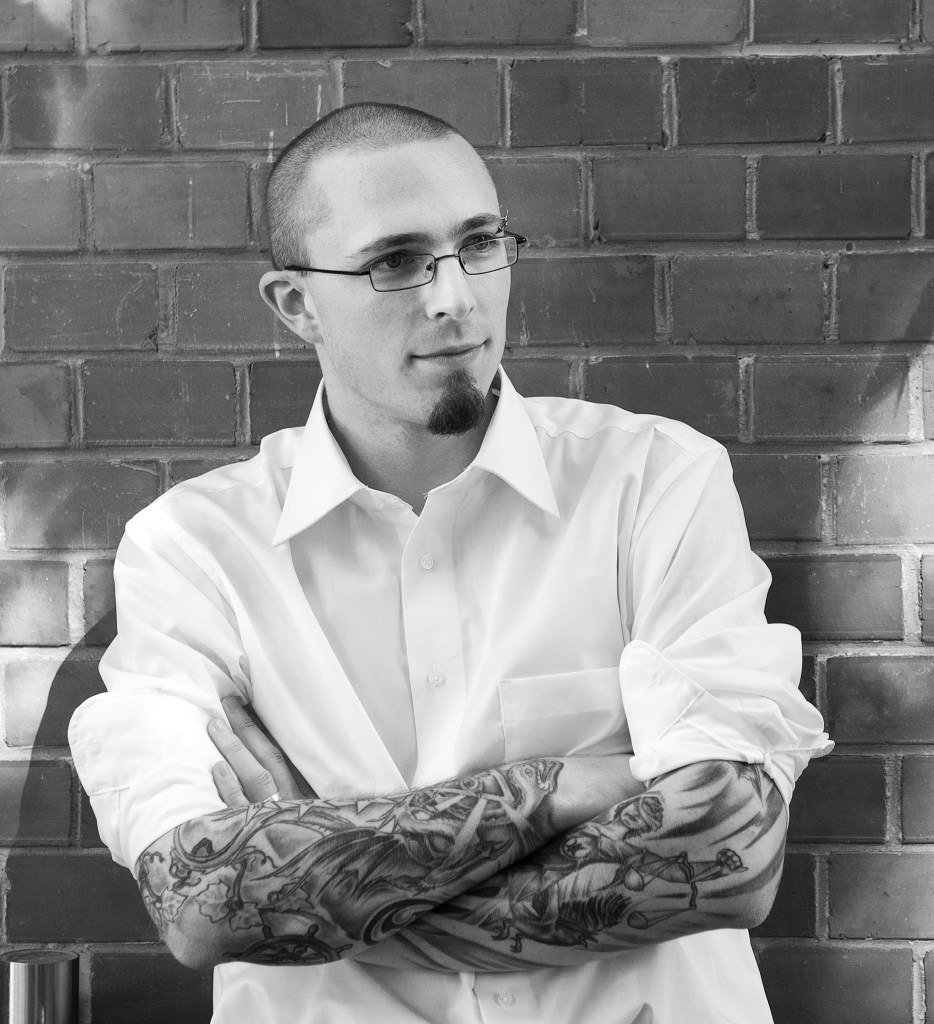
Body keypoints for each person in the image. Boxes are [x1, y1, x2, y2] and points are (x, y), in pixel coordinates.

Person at [69, 102, 832, 1024]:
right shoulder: (194, 549)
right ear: (297, 305)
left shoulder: (654, 484)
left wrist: (332, 871)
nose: (456, 297)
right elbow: (201, 904)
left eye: (478, 243)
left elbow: (731, 860)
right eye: (396, 261)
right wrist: (572, 785)